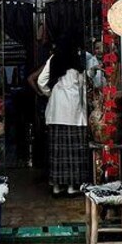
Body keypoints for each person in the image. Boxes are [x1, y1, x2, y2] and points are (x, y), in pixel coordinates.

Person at [37, 43, 92, 196]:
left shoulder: (54, 60)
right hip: (73, 112)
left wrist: (50, 94)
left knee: (57, 152)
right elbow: (83, 86)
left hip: (56, 112)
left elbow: (41, 81)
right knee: (73, 153)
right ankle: (70, 187)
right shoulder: (77, 63)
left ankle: (55, 187)